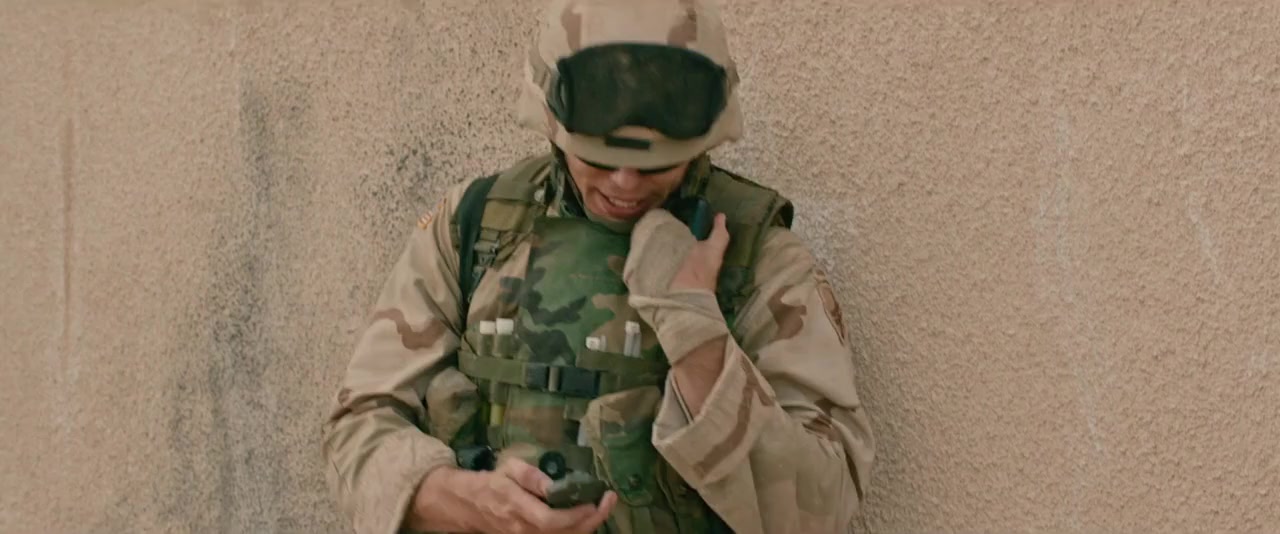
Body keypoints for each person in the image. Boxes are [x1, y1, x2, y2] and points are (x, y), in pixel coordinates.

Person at [321, 0, 875, 532]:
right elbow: (358, 427)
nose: (624, 184)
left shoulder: (759, 259)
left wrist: (694, 331)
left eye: (654, 165)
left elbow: (821, 510)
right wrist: (466, 502)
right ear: (551, 125)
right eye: (600, 159)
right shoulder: (476, 225)